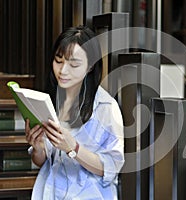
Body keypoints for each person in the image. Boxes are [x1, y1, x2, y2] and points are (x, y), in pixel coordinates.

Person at [25, 25, 124, 199]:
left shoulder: (106, 107)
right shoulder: (51, 101)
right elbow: (42, 161)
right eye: (58, 60)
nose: (63, 71)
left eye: (74, 64)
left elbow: (111, 167)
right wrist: (38, 147)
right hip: (50, 192)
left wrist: (74, 148)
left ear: (91, 66)